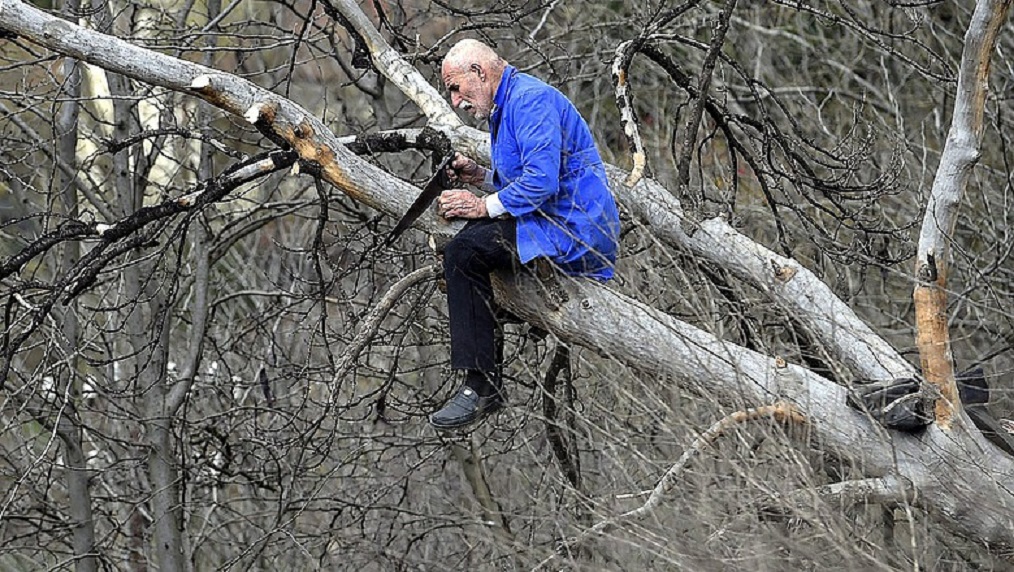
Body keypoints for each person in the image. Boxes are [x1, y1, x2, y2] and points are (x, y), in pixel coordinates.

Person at [429, 39, 620, 429]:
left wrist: (481, 205)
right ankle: (494, 344)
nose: (454, 101)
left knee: (464, 254)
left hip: (572, 228)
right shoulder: (510, 103)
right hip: (556, 218)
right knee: (466, 246)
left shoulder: (529, 101)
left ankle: (480, 386)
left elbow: (541, 183)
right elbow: (524, 177)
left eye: (455, 87)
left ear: (479, 73)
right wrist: (481, 177)